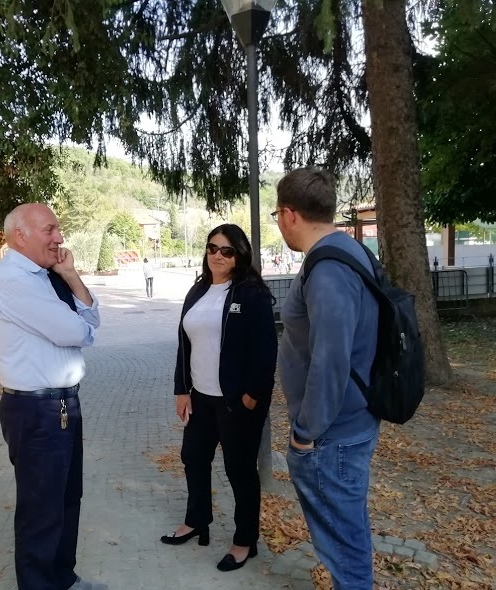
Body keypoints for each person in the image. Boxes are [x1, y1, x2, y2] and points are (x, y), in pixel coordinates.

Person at [0, 203, 107, 590]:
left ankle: (62, 580)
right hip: (36, 409)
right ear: (21, 234)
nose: (60, 238)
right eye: (50, 230)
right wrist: (82, 327)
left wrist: (70, 275)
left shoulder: (46, 277)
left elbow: (92, 317)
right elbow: (77, 332)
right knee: (41, 511)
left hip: (63, 404)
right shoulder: (11, 280)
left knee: (68, 501)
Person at [273, 167, 380, 589]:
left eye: (278, 217)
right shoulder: (350, 252)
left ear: (288, 214)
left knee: (345, 546)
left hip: (330, 435)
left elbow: (330, 359)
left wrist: (305, 433)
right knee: (347, 534)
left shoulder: (328, 268)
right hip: (349, 422)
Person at [160, 223, 278, 572]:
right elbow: (184, 345)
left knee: (239, 470)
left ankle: (245, 541)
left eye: (226, 250)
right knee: (193, 458)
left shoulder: (250, 293)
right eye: (213, 248)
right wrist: (182, 389)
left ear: (239, 255)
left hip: (236, 402)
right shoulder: (197, 291)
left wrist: (252, 397)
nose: (218, 256)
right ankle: (197, 520)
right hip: (200, 397)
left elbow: (265, 352)